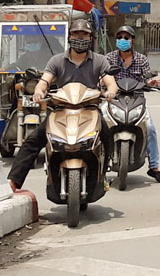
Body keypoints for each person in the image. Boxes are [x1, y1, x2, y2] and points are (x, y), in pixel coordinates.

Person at [7, 19, 118, 191]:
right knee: (33, 141)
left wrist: (110, 91)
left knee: (106, 133)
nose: (80, 37)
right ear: (69, 37)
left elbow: (110, 82)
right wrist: (39, 91)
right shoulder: (57, 60)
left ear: (90, 38)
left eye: (84, 34)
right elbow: (44, 81)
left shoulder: (99, 61)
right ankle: (13, 181)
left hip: (90, 110)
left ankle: (105, 170)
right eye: (76, 34)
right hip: (61, 110)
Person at [105, 25, 160, 183]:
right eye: (120, 37)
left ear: (133, 40)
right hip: (114, 99)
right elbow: (103, 76)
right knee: (101, 127)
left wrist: (151, 82)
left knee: (151, 129)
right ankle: (101, 164)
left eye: (126, 38)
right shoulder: (109, 58)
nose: (123, 40)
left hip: (137, 100)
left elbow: (147, 78)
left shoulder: (141, 59)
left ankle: (154, 167)